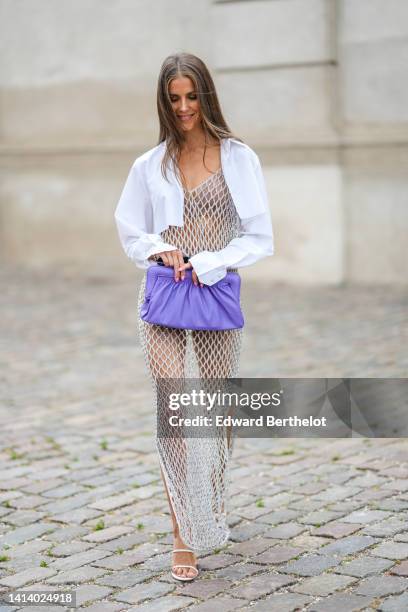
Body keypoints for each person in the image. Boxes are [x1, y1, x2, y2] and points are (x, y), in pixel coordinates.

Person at [114, 52, 274, 581]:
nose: (183, 108)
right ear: (163, 101)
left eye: (191, 96)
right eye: (173, 99)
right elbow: (130, 230)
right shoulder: (149, 165)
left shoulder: (238, 157)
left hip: (215, 291)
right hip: (163, 296)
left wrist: (212, 259)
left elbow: (259, 237)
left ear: (206, 94)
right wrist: (160, 249)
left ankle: (209, 501)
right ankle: (183, 533)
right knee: (176, 412)